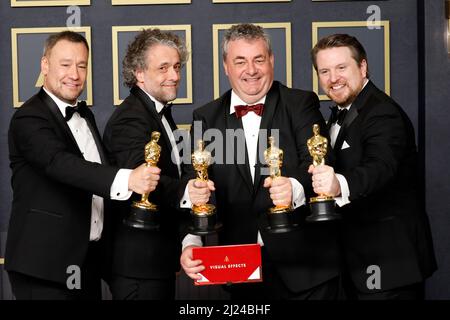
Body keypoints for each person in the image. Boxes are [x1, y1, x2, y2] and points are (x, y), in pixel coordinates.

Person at [179, 23, 340, 300]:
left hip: (305, 268)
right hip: (240, 268)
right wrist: (190, 241)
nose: (251, 70)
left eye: (259, 60)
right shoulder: (206, 117)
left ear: (272, 61)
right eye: (240, 61)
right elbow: (195, 185)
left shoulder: (300, 103)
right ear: (226, 67)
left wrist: (294, 188)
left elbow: (319, 165)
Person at [5, 31, 159, 300]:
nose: (74, 74)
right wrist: (128, 179)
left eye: (81, 65)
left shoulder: (84, 115)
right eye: (65, 64)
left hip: (86, 262)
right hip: (44, 267)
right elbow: (60, 164)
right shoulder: (28, 117)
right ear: (44, 65)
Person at [309, 33, 437, 299]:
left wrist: (338, 184)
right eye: (325, 71)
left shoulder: (382, 112)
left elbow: (380, 167)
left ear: (363, 67)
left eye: (342, 68)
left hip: (389, 265)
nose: (333, 78)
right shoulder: (342, 112)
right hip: (358, 263)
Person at [102, 29, 187, 300]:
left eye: (176, 67)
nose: (174, 76)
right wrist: (187, 193)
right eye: (163, 68)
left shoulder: (156, 112)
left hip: (155, 260)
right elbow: (144, 183)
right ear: (139, 73)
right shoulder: (131, 118)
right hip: (138, 265)